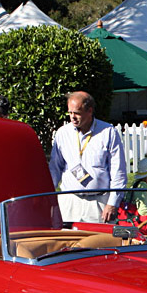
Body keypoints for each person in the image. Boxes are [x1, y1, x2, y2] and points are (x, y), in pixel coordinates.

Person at [49, 91, 127, 223]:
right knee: (68, 242)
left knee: (99, 242)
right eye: (70, 113)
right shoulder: (63, 133)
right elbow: (55, 168)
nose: (72, 117)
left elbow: (118, 171)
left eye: (77, 113)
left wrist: (112, 203)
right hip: (69, 202)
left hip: (99, 204)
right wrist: (48, 198)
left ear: (89, 111)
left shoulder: (108, 132)